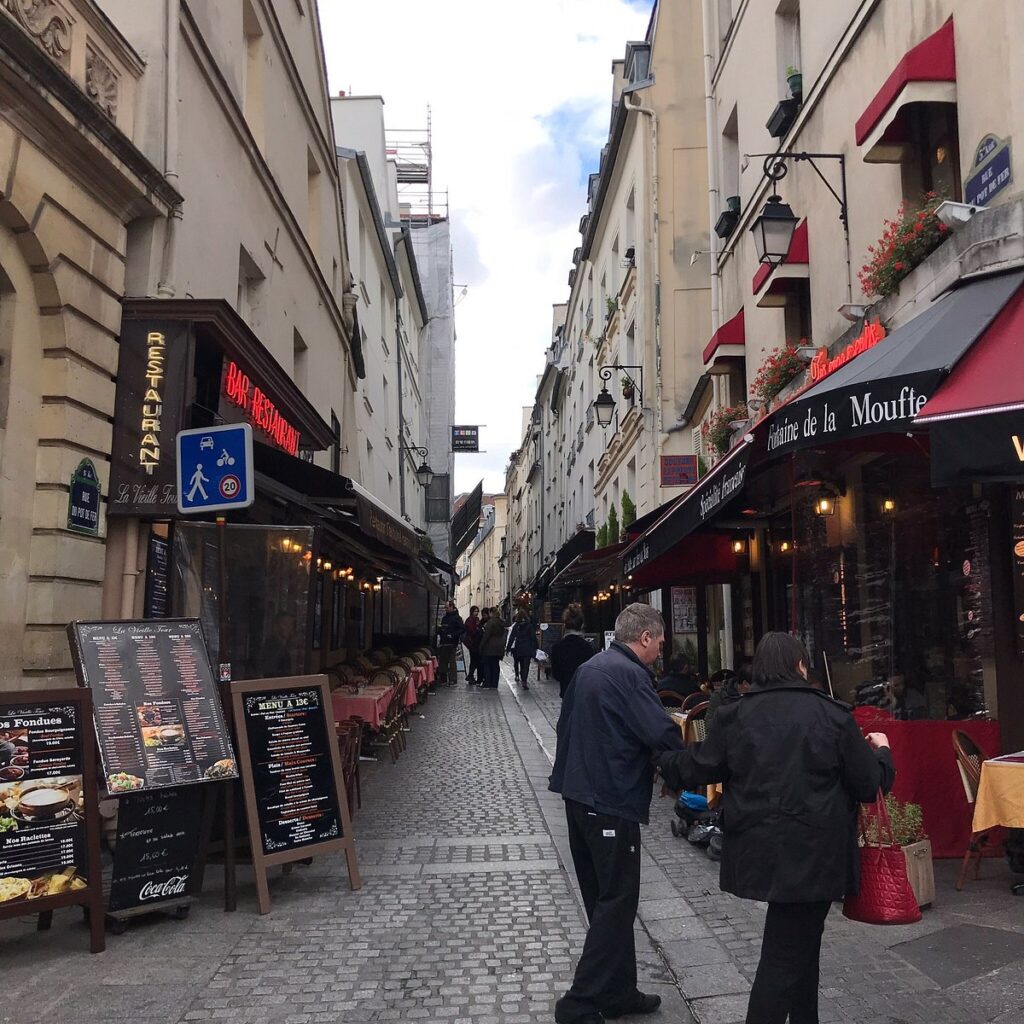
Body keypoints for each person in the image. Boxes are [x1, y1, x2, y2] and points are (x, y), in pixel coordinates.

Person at [655, 632, 894, 1024]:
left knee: (800, 947)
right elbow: (869, 784)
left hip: (761, 850)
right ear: (801, 666)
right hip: (817, 854)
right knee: (784, 958)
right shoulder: (833, 715)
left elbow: (697, 766)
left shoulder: (736, 715)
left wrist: (659, 755)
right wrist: (883, 751)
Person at [549, 603, 685, 1024]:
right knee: (617, 902)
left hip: (579, 798)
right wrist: (682, 764)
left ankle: (619, 991)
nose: (661, 649)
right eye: (659, 641)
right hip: (610, 800)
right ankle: (579, 1002)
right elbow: (660, 732)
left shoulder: (591, 668)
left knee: (604, 899)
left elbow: (564, 728)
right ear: (644, 637)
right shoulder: (630, 675)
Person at [549, 604, 594, 698]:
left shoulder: (558, 647)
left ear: (565, 625)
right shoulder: (587, 647)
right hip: (584, 694)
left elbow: (556, 675)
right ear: (582, 625)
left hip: (566, 693)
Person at [506, 611, 539, 688]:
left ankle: (520, 675)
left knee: (520, 662)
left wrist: (508, 648)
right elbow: (533, 637)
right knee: (526, 665)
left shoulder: (516, 626)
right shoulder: (529, 626)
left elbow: (512, 637)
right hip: (527, 648)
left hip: (518, 648)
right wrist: (536, 647)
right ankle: (524, 680)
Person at [478, 606, 507, 689]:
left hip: (490, 646)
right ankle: (495, 683)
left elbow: (486, 635)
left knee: (487, 664)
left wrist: (481, 646)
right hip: (499, 646)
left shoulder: (491, 622)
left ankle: (488, 682)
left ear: (491, 613)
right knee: (495, 665)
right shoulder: (501, 622)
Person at [260, 611, 296, 676]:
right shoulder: (272, 646)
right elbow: (270, 671)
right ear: (276, 626)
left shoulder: (285, 646)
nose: (289, 627)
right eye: (285, 624)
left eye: (291, 624)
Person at [438, 601, 464, 684]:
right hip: (444, 642)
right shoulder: (445, 618)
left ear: (452, 607)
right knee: (443, 661)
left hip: (452, 642)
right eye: (445, 607)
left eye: (447, 607)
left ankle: (453, 679)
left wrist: (452, 635)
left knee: (452, 661)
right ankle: (443, 679)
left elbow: (462, 629)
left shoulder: (457, 618)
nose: (445, 609)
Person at [463, 605, 482, 684]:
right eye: (475, 611)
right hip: (472, 643)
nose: (476, 613)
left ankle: (471, 676)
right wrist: (477, 629)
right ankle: (470, 676)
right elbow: (471, 631)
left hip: (476, 642)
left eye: (477, 611)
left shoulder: (476, 619)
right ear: (471, 612)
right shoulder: (470, 620)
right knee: (474, 660)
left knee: (474, 660)